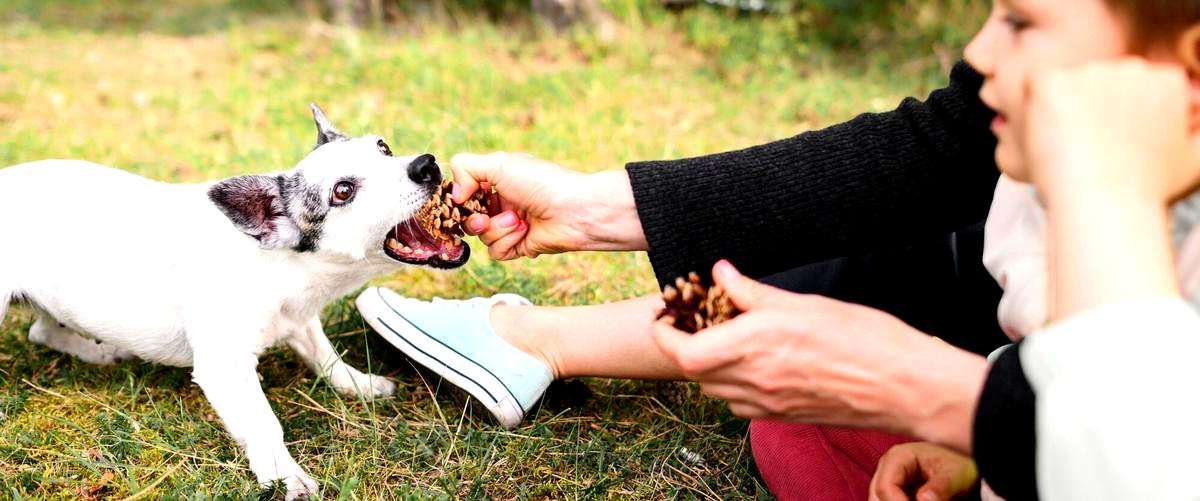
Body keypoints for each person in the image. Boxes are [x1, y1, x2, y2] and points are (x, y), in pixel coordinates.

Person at [354, 0, 1200, 498]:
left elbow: (1142, 444)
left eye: (1020, 21)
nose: (978, 51)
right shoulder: (1017, 148)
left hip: (1042, 396)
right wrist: (590, 203)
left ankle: (535, 339)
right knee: (787, 353)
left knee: (808, 304)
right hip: (995, 344)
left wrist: (954, 400)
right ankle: (546, 339)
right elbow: (923, 154)